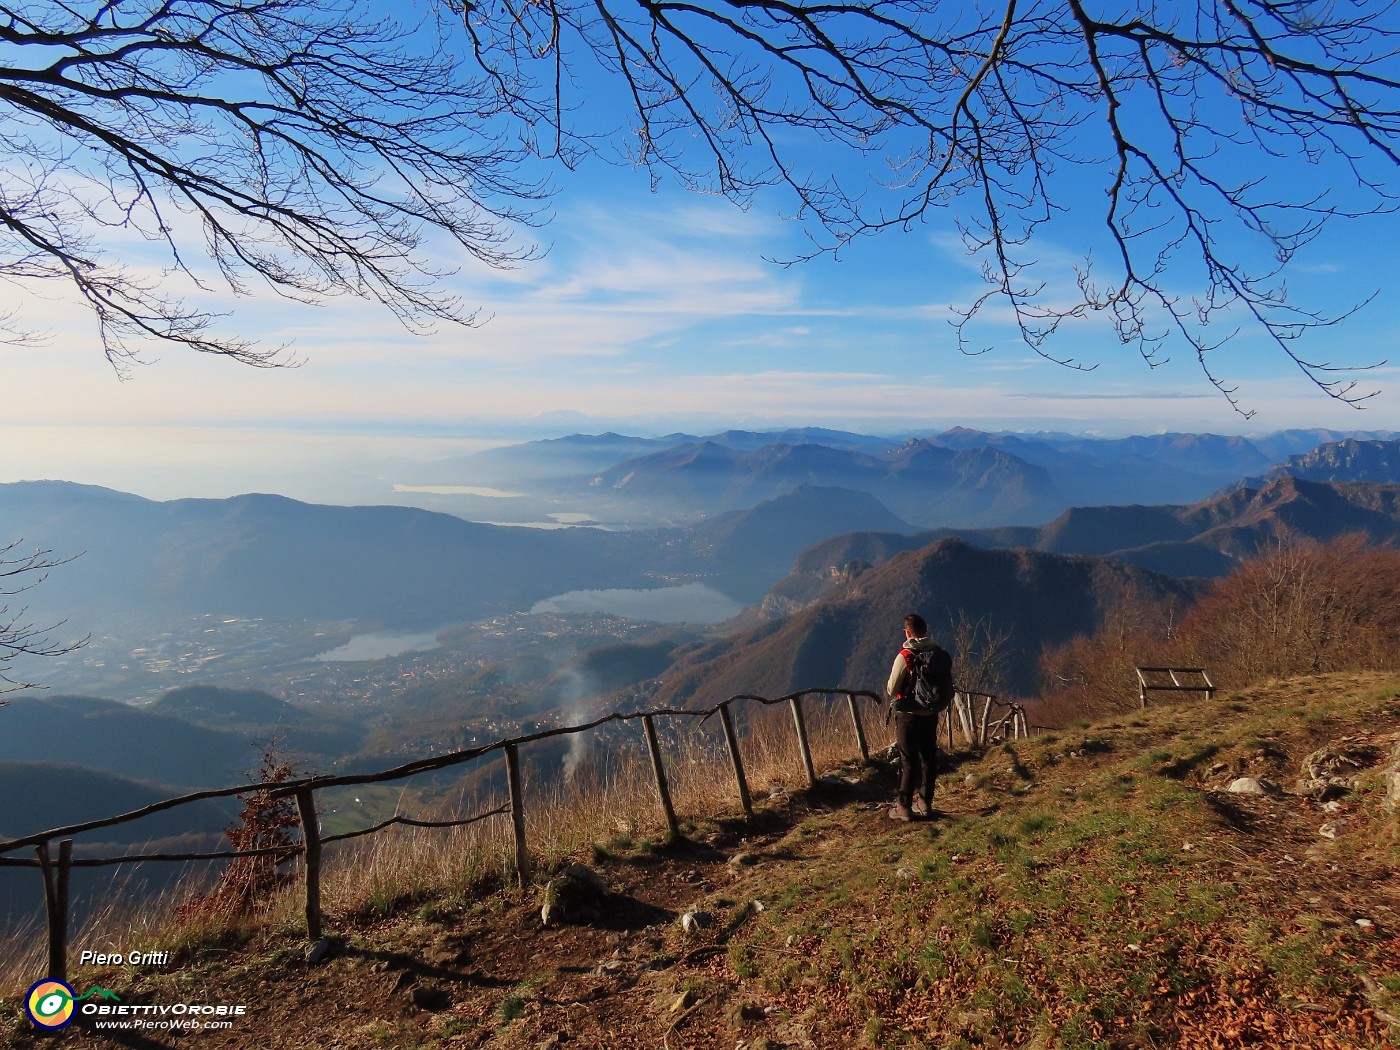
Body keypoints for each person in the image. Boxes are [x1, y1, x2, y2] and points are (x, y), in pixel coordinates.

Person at [885, 613, 942, 821]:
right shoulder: (936, 653)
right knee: (928, 758)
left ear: (907, 632)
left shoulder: (905, 655)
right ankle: (925, 802)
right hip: (931, 713)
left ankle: (903, 806)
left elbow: (892, 688)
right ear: (925, 631)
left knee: (908, 761)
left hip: (908, 716)